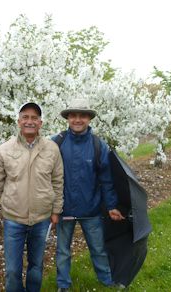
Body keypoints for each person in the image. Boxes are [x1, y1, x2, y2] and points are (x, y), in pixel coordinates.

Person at [0, 102, 64, 292]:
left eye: (34, 118)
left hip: (41, 219)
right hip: (14, 219)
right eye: (25, 117)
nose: (29, 121)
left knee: (36, 267)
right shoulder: (4, 150)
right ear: (19, 121)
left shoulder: (52, 149)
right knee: (12, 270)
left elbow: (57, 182)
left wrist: (56, 211)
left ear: (40, 123)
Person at [53, 98, 125, 291]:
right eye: (74, 115)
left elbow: (107, 180)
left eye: (82, 115)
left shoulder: (98, 145)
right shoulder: (56, 143)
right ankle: (63, 285)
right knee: (62, 251)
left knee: (98, 249)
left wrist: (111, 206)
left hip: (90, 208)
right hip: (63, 209)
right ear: (68, 118)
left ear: (89, 119)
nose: (78, 119)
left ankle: (107, 280)